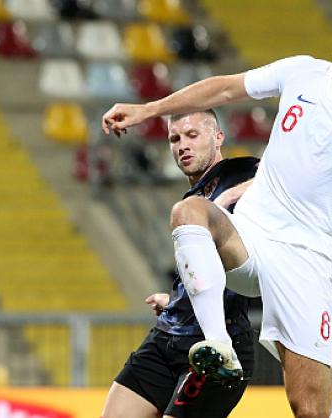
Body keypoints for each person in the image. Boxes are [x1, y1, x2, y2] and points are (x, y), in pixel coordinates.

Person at [102, 5, 332, 417]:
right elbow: (224, 89)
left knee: (309, 407)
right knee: (189, 212)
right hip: (251, 238)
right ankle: (217, 345)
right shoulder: (301, 72)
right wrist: (149, 110)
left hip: (304, 260)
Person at [102, 109, 259, 418]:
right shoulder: (196, 194)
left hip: (219, 345)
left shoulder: (240, 172)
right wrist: (177, 299)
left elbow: (289, 177)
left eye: (192, 135)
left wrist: (228, 199)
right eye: (174, 138)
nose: (182, 145)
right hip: (168, 334)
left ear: (218, 138)